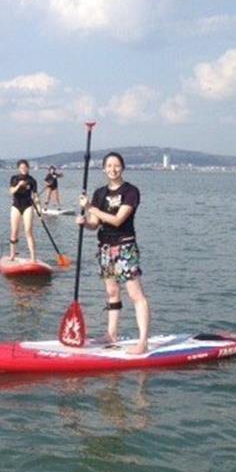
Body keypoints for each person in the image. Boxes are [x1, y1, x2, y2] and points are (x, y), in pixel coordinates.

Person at [77, 152, 151, 354]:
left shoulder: (130, 191)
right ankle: (111, 334)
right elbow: (95, 224)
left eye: (116, 165)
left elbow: (118, 220)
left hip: (125, 246)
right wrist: (85, 222)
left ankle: (143, 341)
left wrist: (91, 208)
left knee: (135, 294)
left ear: (122, 167)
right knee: (112, 292)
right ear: (103, 169)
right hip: (105, 248)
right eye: (109, 165)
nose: (112, 169)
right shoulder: (100, 193)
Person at [8, 159, 40, 262]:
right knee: (14, 232)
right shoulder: (14, 178)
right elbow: (11, 191)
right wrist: (18, 185)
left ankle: (33, 258)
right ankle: (12, 255)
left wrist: (39, 210)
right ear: (18, 168)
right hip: (16, 206)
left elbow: (35, 196)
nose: (24, 169)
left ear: (28, 168)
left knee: (28, 231)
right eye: (22, 168)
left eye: (25, 167)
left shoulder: (32, 180)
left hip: (28, 206)